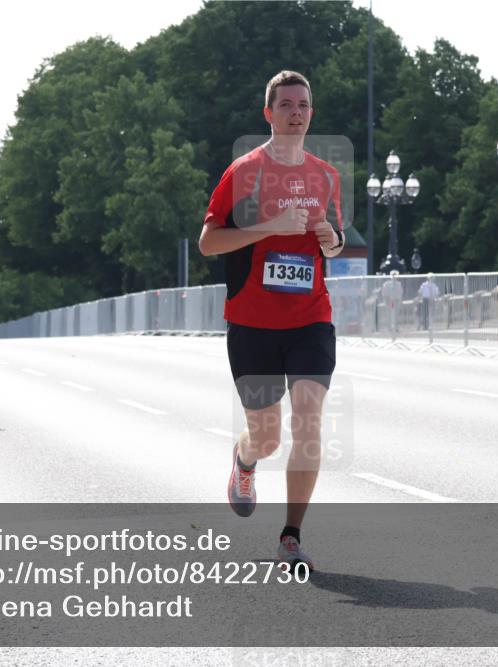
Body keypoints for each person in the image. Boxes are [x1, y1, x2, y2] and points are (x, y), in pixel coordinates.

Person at [198, 70, 344, 572]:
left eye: (303, 104)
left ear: (311, 113)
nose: (296, 112)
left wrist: (331, 239)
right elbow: (209, 241)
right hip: (253, 322)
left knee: (308, 421)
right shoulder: (243, 171)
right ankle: (244, 462)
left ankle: (291, 535)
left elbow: (336, 241)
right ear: (268, 113)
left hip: (310, 318)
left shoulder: (326, 175)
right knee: (268, 436)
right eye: (285, 104)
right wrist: (266, 229)